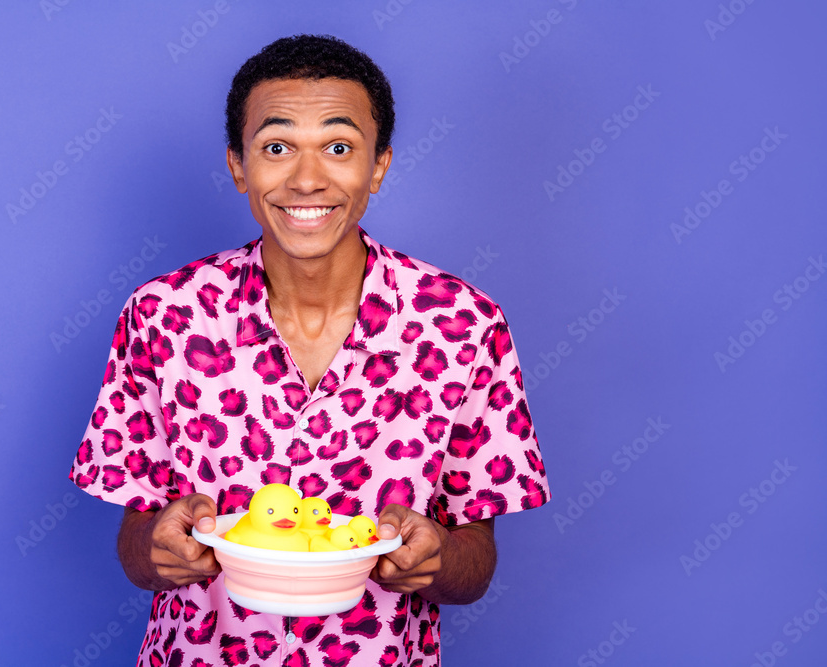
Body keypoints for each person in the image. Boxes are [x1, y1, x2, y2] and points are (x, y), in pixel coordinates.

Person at [69, 34, 550, 667]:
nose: (306, 178)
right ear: (238, 166)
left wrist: (435, 560)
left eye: (339, 147)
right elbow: (137, 545)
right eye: (276, 148)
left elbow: (474, 564)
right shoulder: (165, 316)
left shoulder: (464, 325)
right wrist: (158, 552)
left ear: (378, 166)